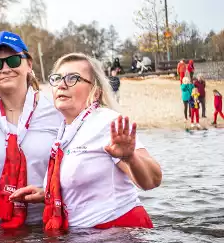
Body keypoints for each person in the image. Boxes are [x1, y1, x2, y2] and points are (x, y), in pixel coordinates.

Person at [42, 52, 162, 231]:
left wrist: (131, 158)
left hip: (118, 235)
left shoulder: (106, 121)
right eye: (57, 78)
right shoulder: (64, 130)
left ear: (95, 92)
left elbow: (153, 180)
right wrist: (45, 193)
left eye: (72, 78)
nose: (62, 84)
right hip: (84, 240)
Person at [0, 31, 63, 228]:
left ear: (29, 64)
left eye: (14, 60)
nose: (5, 68)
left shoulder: (56, 108)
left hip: (46, 223)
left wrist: (48, 192)